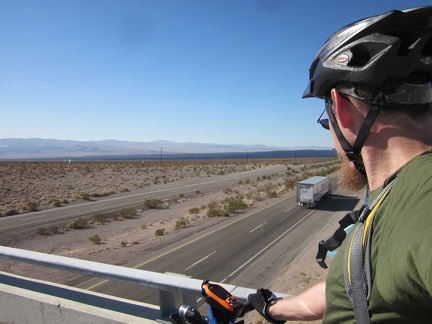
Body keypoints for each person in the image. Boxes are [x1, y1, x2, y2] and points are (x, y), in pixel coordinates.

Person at [247, 6, 432, 323]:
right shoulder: (395, 194)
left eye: (326, 120)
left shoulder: (424, 199)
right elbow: (358, 285)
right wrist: (273, 308)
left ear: (343, 109)